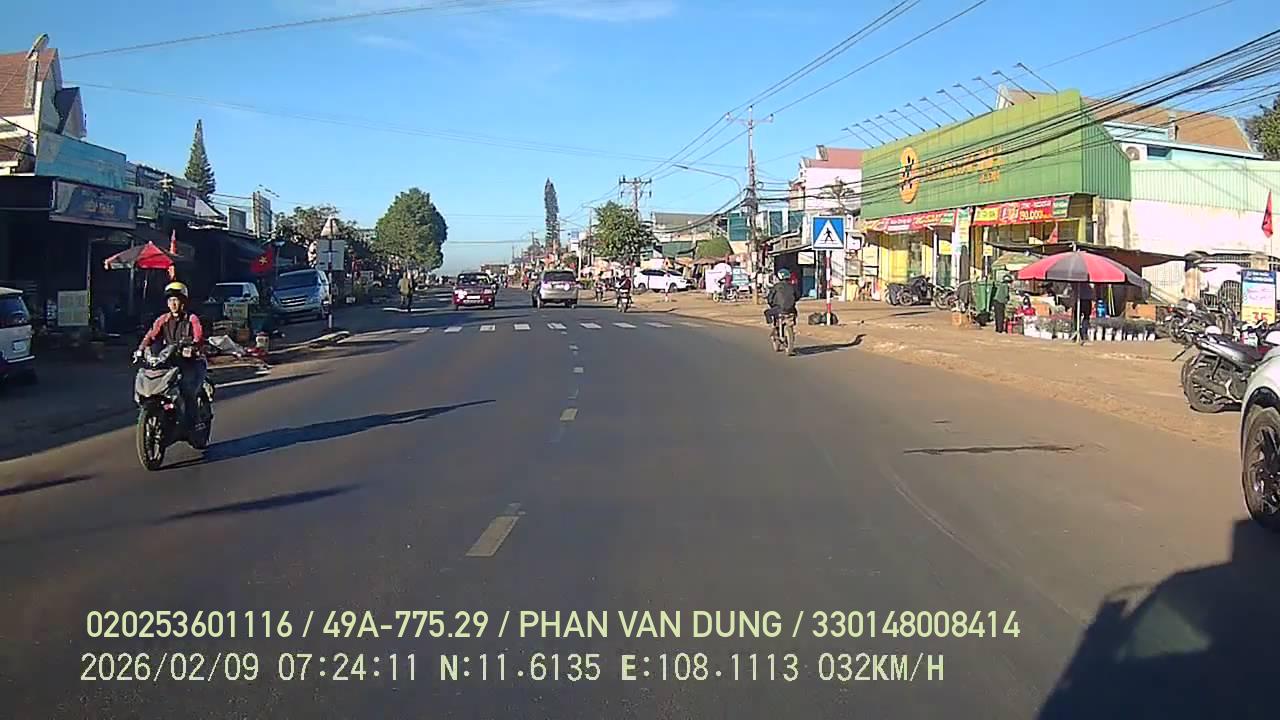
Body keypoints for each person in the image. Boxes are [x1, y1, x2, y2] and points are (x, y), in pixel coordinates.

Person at [136, 281, 207, 433]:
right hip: (170, 361)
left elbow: (199, 336)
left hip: (191, 363)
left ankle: (195, 423)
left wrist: (193, 348)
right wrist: (141, 349)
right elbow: (151, 336)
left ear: (183, 302)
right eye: (170, 300)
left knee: (187, 389)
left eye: (176, 300)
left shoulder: (192, 319)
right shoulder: (163, 319)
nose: (173, 304)